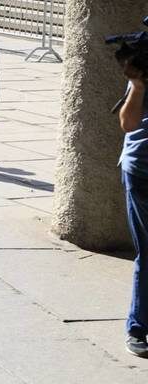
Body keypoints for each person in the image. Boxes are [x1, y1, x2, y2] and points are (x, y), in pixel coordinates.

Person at [119, 46, 148, 359]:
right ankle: (137, 326)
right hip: (143, 170)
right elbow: (128, 123)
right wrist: (138, 86)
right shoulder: (144, 69)